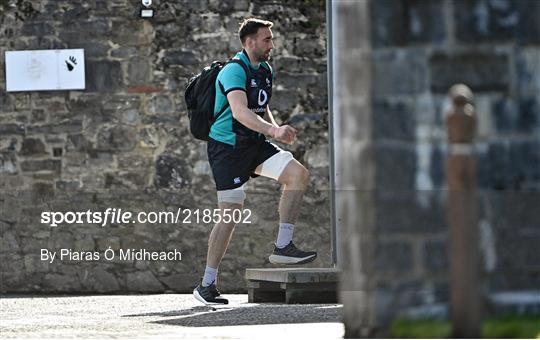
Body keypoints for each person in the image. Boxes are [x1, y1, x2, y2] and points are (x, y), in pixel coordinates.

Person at [193, 18, 317, 305]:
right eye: (267, 39)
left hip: (255, 144)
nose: (271, 44)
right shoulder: (233, 71)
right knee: (231, 215)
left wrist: (275, 129)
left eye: (271, 39)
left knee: (297, 175)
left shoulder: (264, 69)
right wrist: (273, 130)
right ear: (249, 42)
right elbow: (239, 110)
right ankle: (206, 285)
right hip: (227, 149)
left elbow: (261, 105)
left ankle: (283, 246)